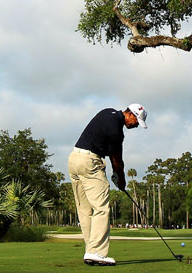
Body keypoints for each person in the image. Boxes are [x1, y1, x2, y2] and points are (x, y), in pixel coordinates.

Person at [68, 103, 147, 266]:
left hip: (74, 159)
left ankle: (90, 251)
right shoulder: (116, 131)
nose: (136, 126)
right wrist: (121, 180)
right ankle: (97, 252)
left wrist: (116, 175)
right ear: (130, 114)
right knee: (102, 208)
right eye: (137, 122)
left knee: (85, 210)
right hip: (90, 162)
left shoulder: (106, 111)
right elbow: (116, 160)